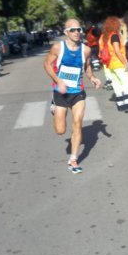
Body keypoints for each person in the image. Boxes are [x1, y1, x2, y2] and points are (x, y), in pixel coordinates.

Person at [43, 19, 102, 174]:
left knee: (77, 123)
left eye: (79, 29)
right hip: (61, 92)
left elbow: (87, 66)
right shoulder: (58, 48)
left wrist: (92, 78)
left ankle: (73, 159)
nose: (76, 32)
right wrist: (58, 81)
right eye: (73, 30)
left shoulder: (86, 50)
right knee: (60, 130)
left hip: (78, 92)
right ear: (66, 32)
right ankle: (54, 106)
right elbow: (47, 64)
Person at [99, 16, 128, 113]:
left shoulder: (105, 36)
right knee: (126, 82)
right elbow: (117, 51)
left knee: (117, 84)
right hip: (118, 63)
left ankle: (120, 105)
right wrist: (125, 63)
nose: (120, 24)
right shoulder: (114, 36)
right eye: (118, 23)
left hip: (110, 64)